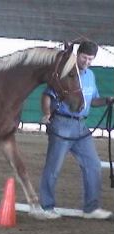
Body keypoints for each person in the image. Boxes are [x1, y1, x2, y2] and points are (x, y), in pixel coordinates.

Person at [39, 41, 114, 219]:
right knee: (53, 167)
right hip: (62, 124)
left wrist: (106, 100)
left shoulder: (90, 76)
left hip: (81, 126)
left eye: (90, 59)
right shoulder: (66, 73)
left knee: (93, 164)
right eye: (84, 57)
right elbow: (46, 95)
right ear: (77, 55)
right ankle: (46, 207)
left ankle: (91, 208)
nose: (87, 61)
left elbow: (92, 101)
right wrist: (47, 114)